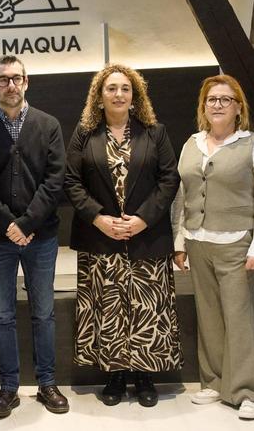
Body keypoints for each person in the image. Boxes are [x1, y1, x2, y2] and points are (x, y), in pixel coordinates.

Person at [64, 64, 181, 407]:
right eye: (111, 88)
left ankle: (144, 376)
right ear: (99, 97)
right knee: (109, 307)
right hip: (101, 238)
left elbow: (169, 180)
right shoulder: (84, 133)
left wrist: (144, 219)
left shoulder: (155, 132)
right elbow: (71, 181)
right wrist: (97, 218)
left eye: (125, 89)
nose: (118, 94)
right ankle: (114, 374)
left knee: (146, 308)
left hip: (146, 236)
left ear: (135, 96)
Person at [0, 55, 69, 419]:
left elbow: (55, 180)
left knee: (43, 313)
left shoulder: (49, 125)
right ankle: (8, 387)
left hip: (40, 236)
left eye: (16, 78)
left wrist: (27, 223)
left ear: (27, 82)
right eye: (2, 79)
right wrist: (9, 225)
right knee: (2, 314)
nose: (11, 85)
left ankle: (47, 383)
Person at [173, 75, 254, 420]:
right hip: (198, 242)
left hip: (236, 243)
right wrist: (179, 241)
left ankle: (249, 391)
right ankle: (215, 381)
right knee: (210, 317)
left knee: (239, 318)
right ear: (203, 106)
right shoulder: (192, 144)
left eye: (225, 99)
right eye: (211, 99)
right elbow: (182, 196)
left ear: (238, 108)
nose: (217, 104)